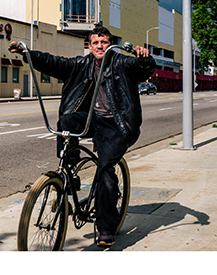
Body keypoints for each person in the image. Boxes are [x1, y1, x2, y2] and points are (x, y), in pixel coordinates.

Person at [9, 25, 155, 247]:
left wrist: (144, 59)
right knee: (67, 121)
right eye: (95, 42)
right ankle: (68, 174)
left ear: (110, 44)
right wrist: (26, 52)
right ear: (89, 45)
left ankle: (107, 227)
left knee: (105, 170)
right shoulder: (81, 64)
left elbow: (142, 69)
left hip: (116, 124)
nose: (99, 46)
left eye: (104, 42)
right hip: (91, 119)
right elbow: (53, 62)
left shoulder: (121, 63)